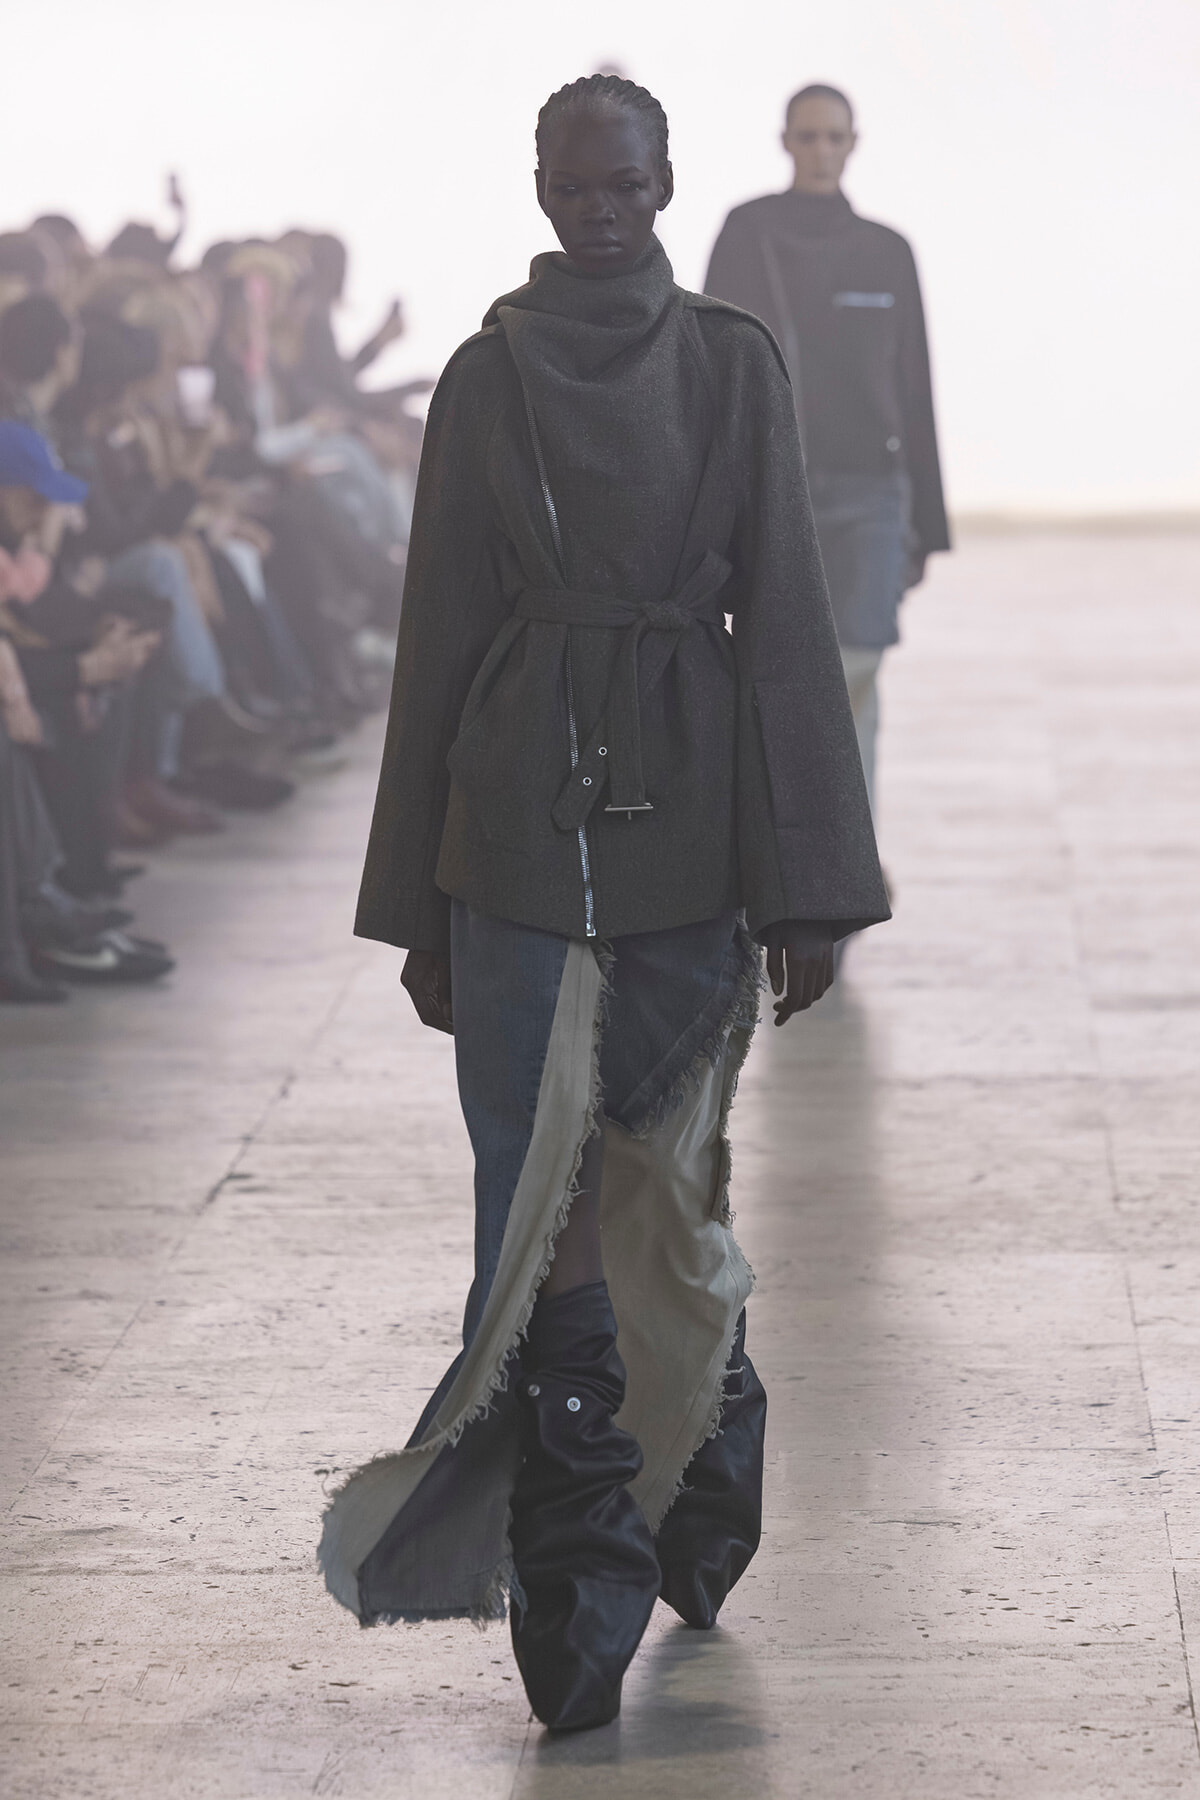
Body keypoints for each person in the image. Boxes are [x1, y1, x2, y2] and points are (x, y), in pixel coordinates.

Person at [319, 74, 889, 1733]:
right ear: (540, 185)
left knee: (658, 1187)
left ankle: (704, 1441)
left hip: (690, 815)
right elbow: (440, 629)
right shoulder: (484, 377)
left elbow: (785, 613)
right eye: (576, 182)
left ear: (665, 181)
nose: (601, 208)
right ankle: (577, 1568)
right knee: (539, 1204)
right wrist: (415, 905)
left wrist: (811, 887)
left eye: (626, 181)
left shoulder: (730, 363)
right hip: (511, 822)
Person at [705, 83, 950, 836]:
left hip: (874, 492)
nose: (820, 151)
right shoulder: (747, 234)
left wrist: (928, 524)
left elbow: (913, 385)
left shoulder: (887, 251)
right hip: (777, 488)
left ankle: (848, 855)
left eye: (833, 137)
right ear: (785, 141)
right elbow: (709, 367)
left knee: (859, 669)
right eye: (807, 136)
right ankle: (782, 853)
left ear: (853, 144)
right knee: (773, 674)